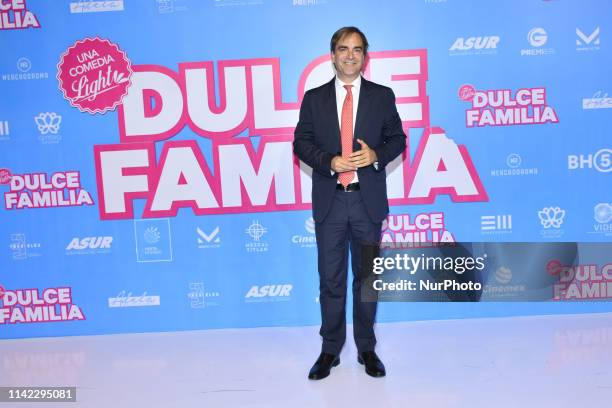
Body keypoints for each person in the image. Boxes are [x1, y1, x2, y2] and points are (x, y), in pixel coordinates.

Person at [293, 26, 406, 380]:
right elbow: (301, 142)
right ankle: (329, 350)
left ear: (365, 56)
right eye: (344, 49)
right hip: (330, 202)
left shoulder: (382, 96)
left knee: (368, 279)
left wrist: (375, 155)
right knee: (331, 280)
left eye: (357, 49)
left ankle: (366, 348)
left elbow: (398, 139)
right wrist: (329, 161)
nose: (350, 55)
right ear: (332, 55)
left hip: (366, 203)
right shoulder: (314, 99)